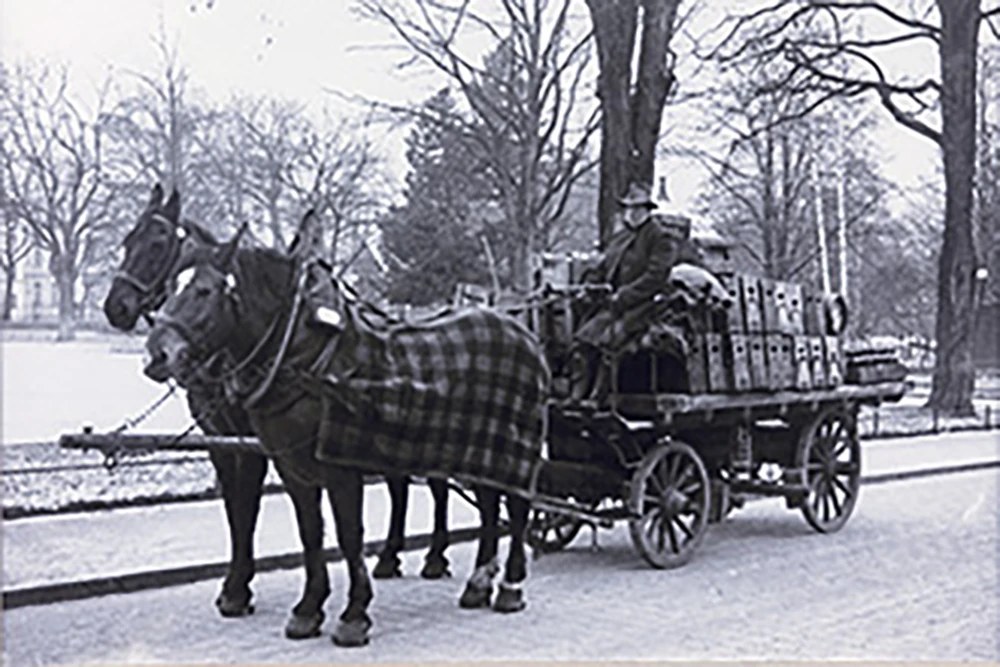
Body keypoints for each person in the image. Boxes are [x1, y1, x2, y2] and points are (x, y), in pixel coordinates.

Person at [570, 181, 691, 402]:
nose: (631, 213)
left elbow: (655, 277)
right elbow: (602, 267)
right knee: (584, 339)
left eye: (636, 208)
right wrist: (590, 286)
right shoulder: (620, 238)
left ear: (647, 210)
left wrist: (624, 296)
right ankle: (578, 394)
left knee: (609, 341)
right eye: (628, 208)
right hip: (614, 304)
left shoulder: (660, 237)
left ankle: (600, 396)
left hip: (647, 306)